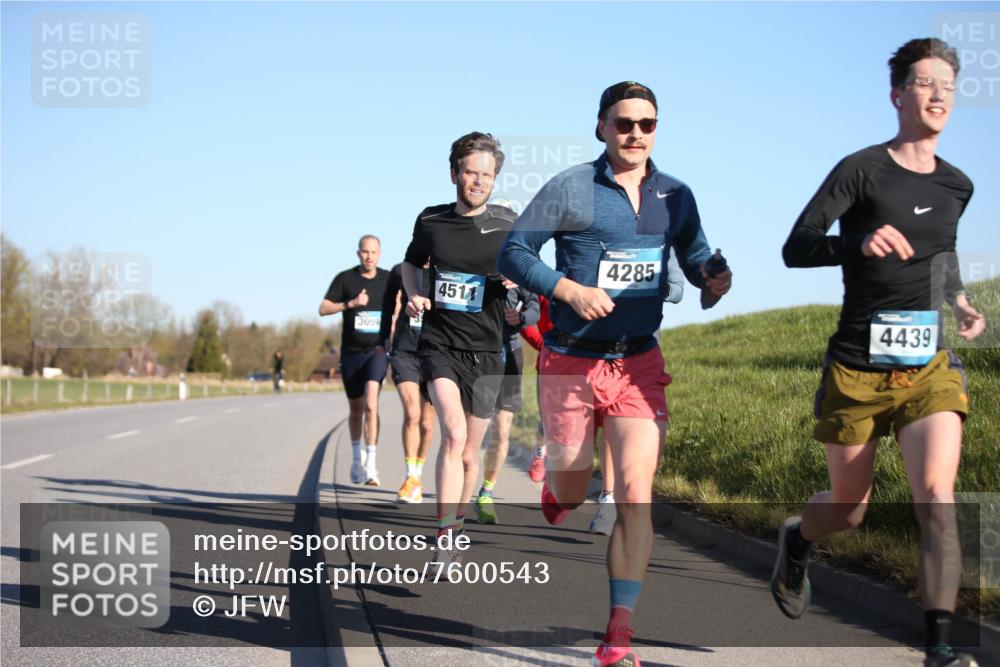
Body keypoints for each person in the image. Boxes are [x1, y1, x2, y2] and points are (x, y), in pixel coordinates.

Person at [498, 81, 731, 667]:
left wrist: (712, 276)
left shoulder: (676, 194)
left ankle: (617, 636)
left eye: (646, 124)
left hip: (638, 361)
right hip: (571, 359)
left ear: (657, 129)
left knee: (634, 495)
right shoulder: (571, 187)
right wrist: (569, 289)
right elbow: (515, 253)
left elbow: (695, 251)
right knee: (572, 492)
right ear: (601, 126)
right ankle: (556, 482)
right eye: (624, 123)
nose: (635, 134)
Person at [773, 38, 985, 667]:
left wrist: (963, 300)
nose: (939, 93)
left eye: (948, 83)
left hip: (929, 367)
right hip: (858, 369)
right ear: (898, 95)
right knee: (849, 509)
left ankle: (939, 648)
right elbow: (798, 245)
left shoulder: (957, 185)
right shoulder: (860, 169)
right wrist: (857, 242)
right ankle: (797, 539)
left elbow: (939, 258)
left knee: (937, 497)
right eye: (925, 82)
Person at [401, 131, 515, 563]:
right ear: (455, 173)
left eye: (487, 174)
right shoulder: (431, 221)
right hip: (440, 343)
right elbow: (410, 262)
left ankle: (459, 519)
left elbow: (529, 268)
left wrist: (517, 279)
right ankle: (445, 536)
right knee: (453, 434)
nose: (479, 181)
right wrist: (414, 291)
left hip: (488, 351)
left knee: (471, 452)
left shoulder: (507, 224)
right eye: (471, 172)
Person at [319, 235, 391, 486]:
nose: (369, 256)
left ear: (379, 254)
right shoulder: (345, 279)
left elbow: (400, 307)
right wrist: (350, 304)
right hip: (351, 353)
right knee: (356, 410)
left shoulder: (388, 280)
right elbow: (323, 308)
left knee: (372, 405)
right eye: (364, 252)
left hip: (377, 351)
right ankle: (355, 459)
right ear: (358, 253)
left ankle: (371, 464)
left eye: (373, 252)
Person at [474, 281, 540, 524]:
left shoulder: (515, 267)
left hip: (510, 352)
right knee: (471, 429)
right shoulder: (477, 263)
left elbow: (535, 307)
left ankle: (486, 493)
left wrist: (520, 318)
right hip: (477, 352)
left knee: (502, 431)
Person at [379, 261, 436, 503]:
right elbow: (387, 304)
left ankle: (417, 476)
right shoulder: (400, 271)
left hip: (435, 352)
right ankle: (410, 476)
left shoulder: (444, 270)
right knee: (412, 414)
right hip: (404, 351)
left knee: (427, 424)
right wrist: (383, 339)